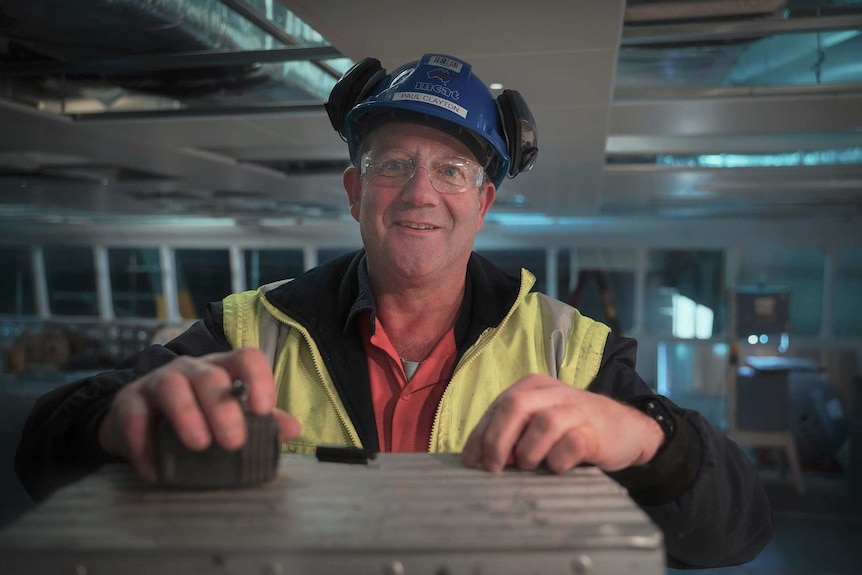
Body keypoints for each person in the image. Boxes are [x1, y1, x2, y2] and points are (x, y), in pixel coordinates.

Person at [16, 53, 772, 569]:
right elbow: (40, 448)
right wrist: (114, 415)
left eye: (451, 169)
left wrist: (645, 437)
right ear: (354, 193)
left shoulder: (569, 347)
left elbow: (739, 526)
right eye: (392, 165)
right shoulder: (252, 327)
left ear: (482, 204)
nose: (420, 192)